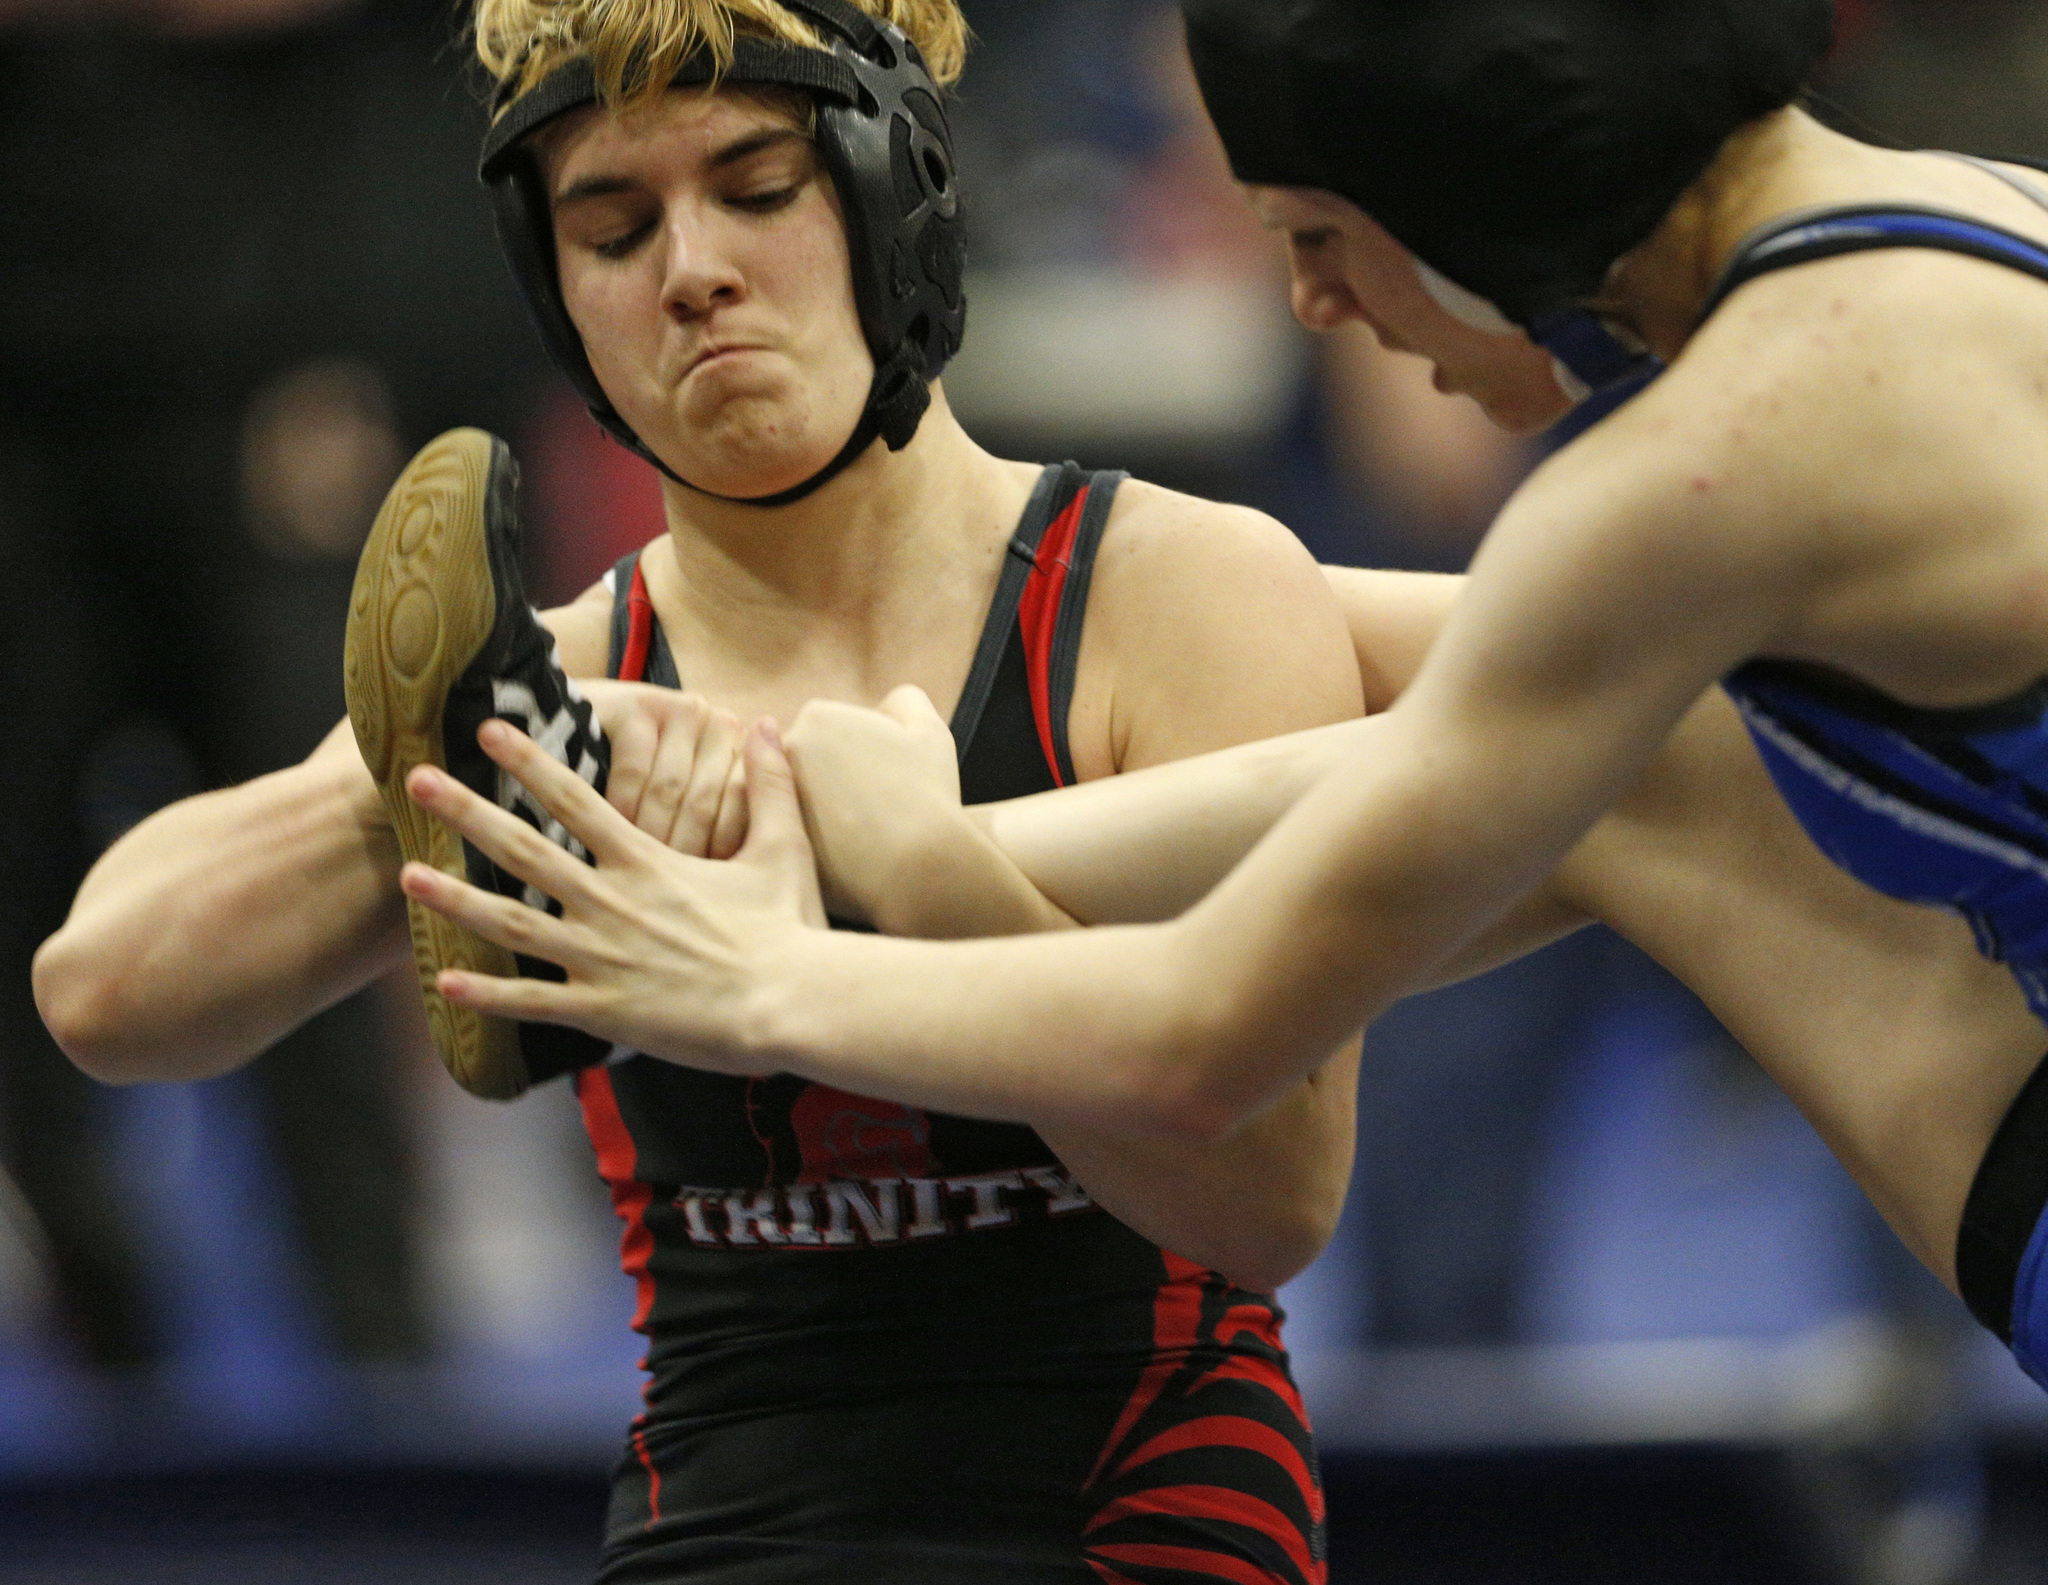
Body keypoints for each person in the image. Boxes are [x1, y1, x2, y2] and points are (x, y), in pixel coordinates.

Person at [384, 0, 2048, 1395]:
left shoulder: (1691, 485)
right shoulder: (1985, 221)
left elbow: (1199, 1045)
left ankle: (778, 858)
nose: (1318, 307)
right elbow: (1490, 660)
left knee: (1648, 781)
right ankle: (807, 827)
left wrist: (753, 973)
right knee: (1655, 769)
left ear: (1470, 178)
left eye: (1318, 239)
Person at [36, 0, 1363, 1577]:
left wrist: (924, 878)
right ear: (554, 293)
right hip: (719, 1529)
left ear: (899, 191)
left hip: (1134, 1513)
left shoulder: (1174, 594)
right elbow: (105, 991)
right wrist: (492, 765)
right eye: (612, 227)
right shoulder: (574, 670)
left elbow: (1267, 1202)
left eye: (756, 187)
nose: (691, 270)